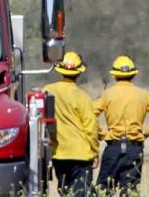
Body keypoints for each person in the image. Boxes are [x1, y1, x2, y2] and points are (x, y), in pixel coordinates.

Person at [94, 55, 149, 194]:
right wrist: (146, 132)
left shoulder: (107, 95)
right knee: (131, 191)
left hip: (113, 148)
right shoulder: (144, 95)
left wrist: (102, 134)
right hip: (134, 149)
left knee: (103, 191)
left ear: (115, 75)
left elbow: (89, 115)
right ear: (133, 75)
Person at [42, 51, 99, 197]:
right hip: (81, 155)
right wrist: (94, 152)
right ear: (79, 73)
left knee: (65, 192)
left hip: (59, 154)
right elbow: (91, 128)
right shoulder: (82, 97)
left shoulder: (47, 91)